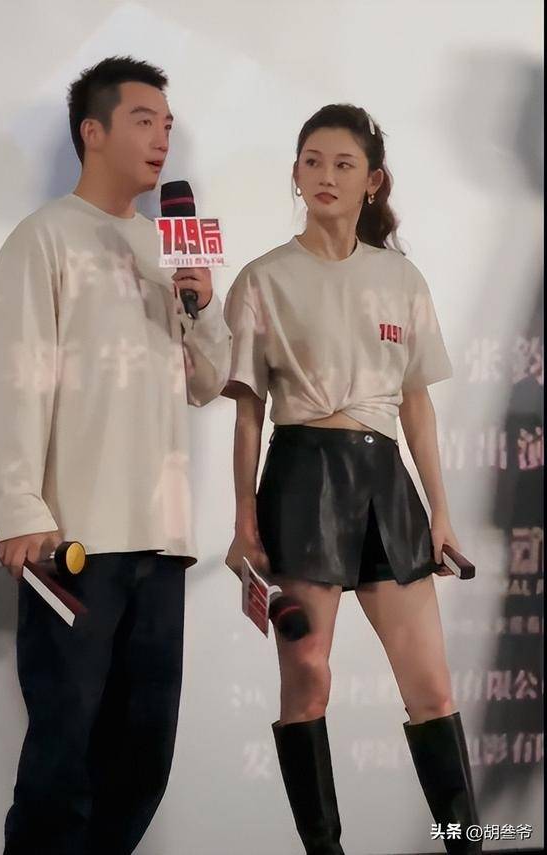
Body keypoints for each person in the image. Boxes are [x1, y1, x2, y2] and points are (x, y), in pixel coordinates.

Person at [0, 55, 232, 855]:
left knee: (141, 757)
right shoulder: (44, 238)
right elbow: (16, 378)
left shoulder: (166, 248)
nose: (162, 138)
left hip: (162, 540)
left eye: (168, 124)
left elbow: (209, 381)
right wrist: (20, 504)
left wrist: (202, 300)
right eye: (143, 120)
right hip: (75, 541)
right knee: (63, 759)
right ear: (92, 131)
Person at [223, 104, 481, 855]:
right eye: (312, 161)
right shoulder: (264, 278)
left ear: (373, 181)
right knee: (308, 677)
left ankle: (468, 840)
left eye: (343, 164)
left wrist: (440, 510)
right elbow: (248, 414)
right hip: (302, 478)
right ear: (295, 173)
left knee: (431, 689)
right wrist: (244, 520)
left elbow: (417, 404)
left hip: (385, 482)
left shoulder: (400, 278)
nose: (325, 176)